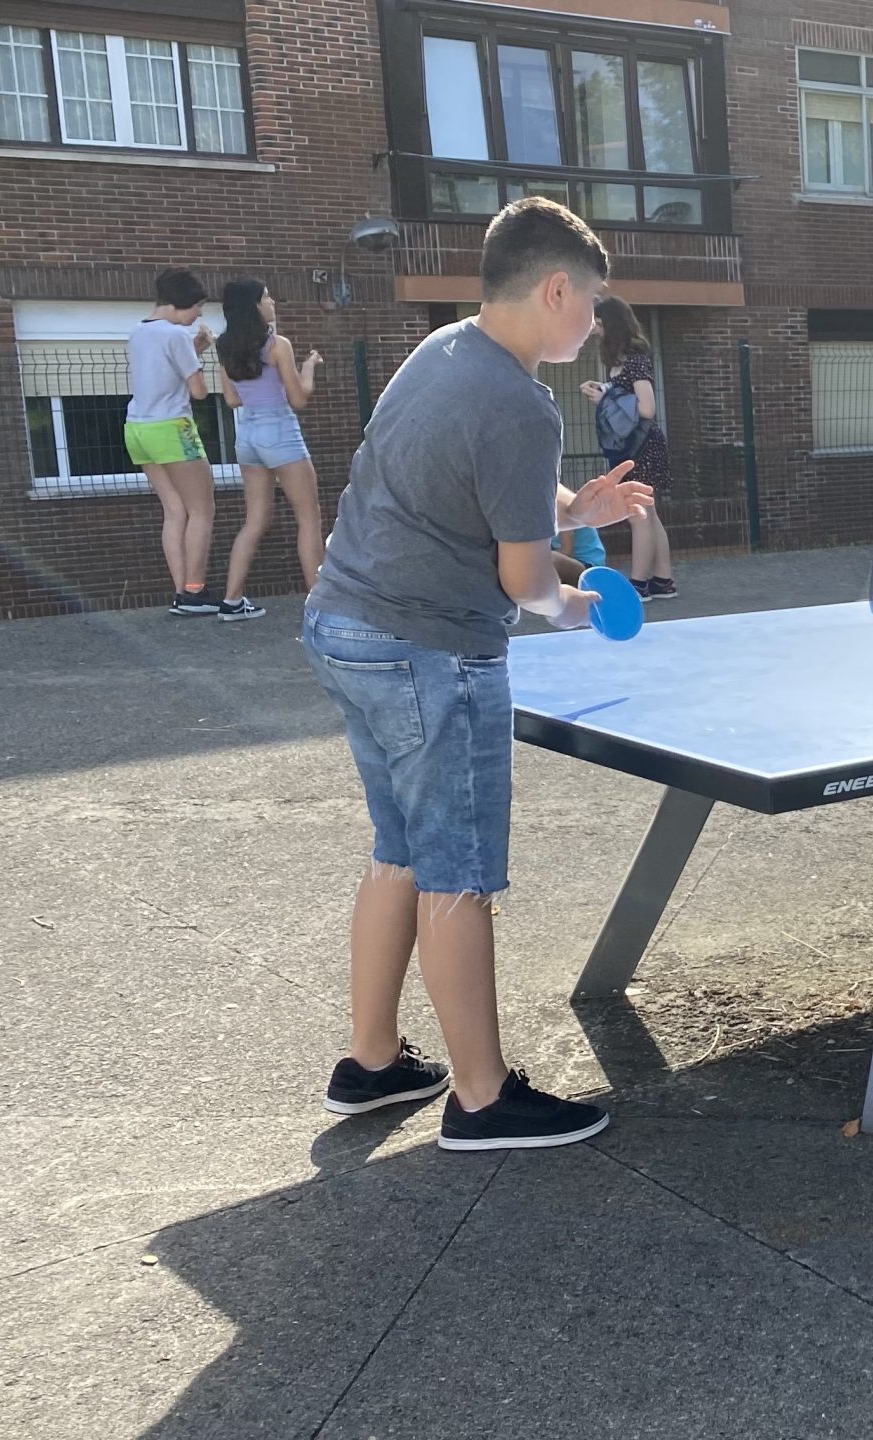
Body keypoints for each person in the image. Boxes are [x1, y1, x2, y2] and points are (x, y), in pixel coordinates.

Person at [301, 198, 652, 1150]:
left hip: (345, 625)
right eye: (593, 302)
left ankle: (370, 1065)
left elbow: (489, 482)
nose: (596, 321)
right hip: (430, 651)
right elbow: (528, 583)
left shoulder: (448, 350)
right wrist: (586, 609)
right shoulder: (519, 403)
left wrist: (579, 503)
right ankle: (483, 1099)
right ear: (554, 289)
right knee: (454, 873)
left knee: (400, 852)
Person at [212, 278, 324, 620]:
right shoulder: (278, 344)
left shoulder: (223, 346)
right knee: (309, 517)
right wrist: (307, 369)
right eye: (266, 297)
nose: (272, 301)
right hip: (280, 433)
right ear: (254, 306)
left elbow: (231, 399)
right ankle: (320, 605)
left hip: (247, 438)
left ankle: (231, 601)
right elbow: (299, 399)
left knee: (255, 520)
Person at [127, 270, 219, 614]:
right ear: (182, 303)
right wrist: (199, 355)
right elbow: (198, 392)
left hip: (138, 428)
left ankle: (182, 591)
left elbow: (161, 371)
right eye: (197, 306)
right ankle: (196, 591)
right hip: (172, 428)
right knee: (202, 509)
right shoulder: (177, 335)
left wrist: (195, 348)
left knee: (174, 510)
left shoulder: (138, 331)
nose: (198, 315)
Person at [578, 296, 676, 599]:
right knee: (648, 512)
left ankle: (639, 584)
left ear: (611, 324)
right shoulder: (626, 360)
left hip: (640, 448)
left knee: (638, 514)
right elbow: (629, 395)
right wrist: (606, 389)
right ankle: (662, 581)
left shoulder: (634, 360)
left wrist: (605, 398)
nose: (594, 328)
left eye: (598, 322)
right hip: (637, 447)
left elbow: (647, 408)